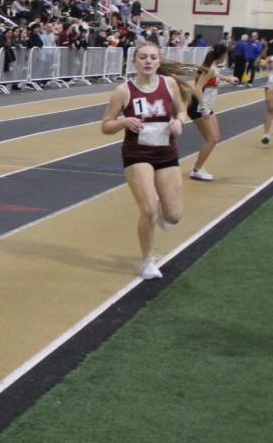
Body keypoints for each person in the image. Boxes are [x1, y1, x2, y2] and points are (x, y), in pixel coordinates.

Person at [100, 42, 189, 280]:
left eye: (152, 57)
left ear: (159, 61)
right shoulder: (123, 91)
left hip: (166, 152)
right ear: (134, 62)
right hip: (136, 153)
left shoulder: (169, 84)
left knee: (173, 216)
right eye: (143, 57)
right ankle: (147, 261)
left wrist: (179, 122)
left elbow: (182, 110)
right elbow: (106, 126)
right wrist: (123, 121)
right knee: (149, 209)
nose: (148, 61)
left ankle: (161, 212)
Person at [187, 45, 234, 182]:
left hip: (206, 106)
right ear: (222, 55)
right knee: (212, 139)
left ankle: (198, 167)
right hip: (199, 107)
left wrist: (229, 79)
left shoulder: (212, 68)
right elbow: (197, 88)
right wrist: (203, 108)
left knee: (216, 137)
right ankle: (196, 170)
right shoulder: (211, 69)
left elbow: (216, 76)